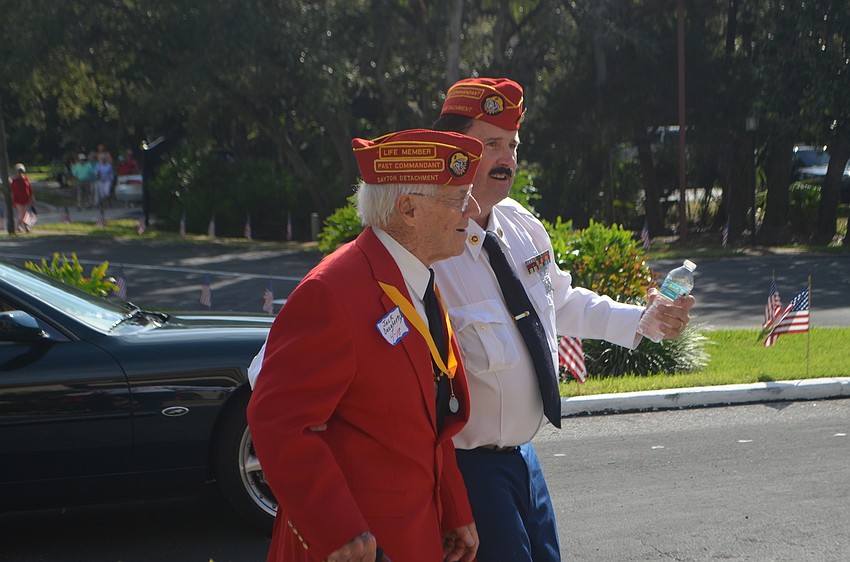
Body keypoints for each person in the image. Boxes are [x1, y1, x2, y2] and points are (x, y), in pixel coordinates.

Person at [431, 77, 696, 561]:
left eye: (512, 144)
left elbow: (561, 302)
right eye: (491, 144)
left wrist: (643, 321)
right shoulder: (430, 246)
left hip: (524, 462)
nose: (507, 158)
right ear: (455, 148)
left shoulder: (521, 225)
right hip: (468, 468)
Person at [247, 128, 485, 562]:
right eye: (457, 199)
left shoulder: (416, 279)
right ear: (408, 209)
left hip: (415, 538)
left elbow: (431, 422)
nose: (472, 209)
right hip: (358, 549)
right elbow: (277, 421)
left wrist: (453, 508)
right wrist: (338, 528)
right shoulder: (332, 292)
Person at [10, 163, 34, 233]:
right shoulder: (14, 180)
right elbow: (12, 190)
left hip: (26, 199)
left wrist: (32, 197)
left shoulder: (26, 179)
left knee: (25, 213)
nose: (20, 173)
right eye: (19, 172)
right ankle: (20, 225)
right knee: (21, 212)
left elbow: (29, 189)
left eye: (22, 171)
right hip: (17, 200)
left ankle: (24, 226)